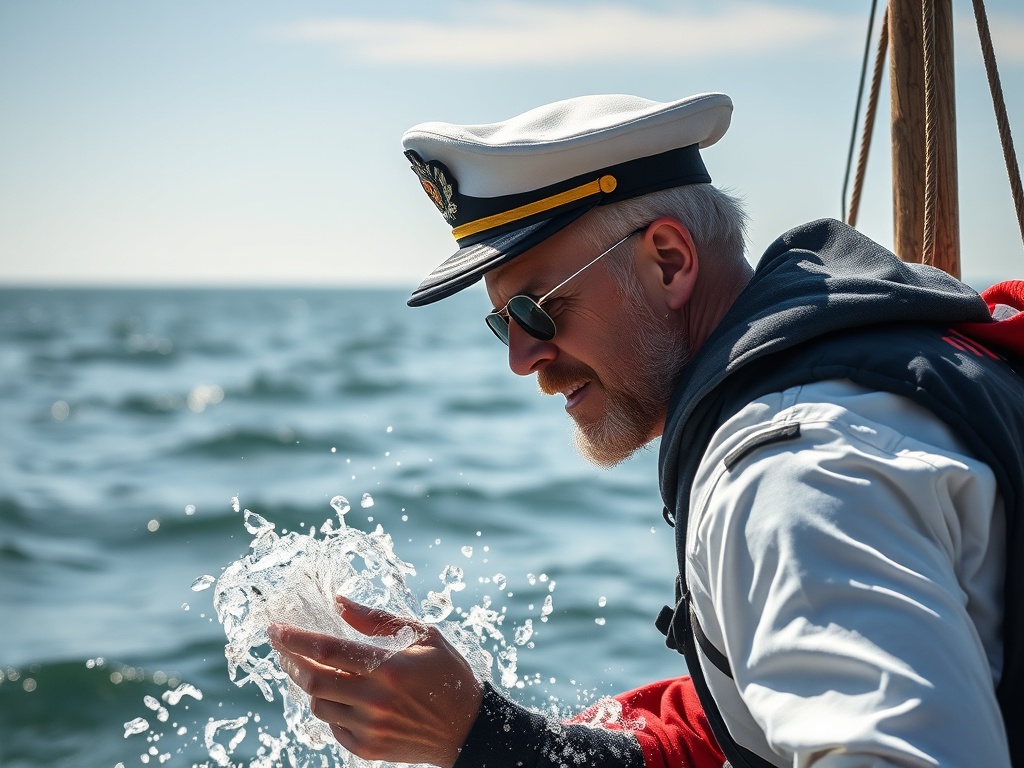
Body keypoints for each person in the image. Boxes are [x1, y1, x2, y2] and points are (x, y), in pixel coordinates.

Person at [270, 93, 1022, 767]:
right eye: (501, 321)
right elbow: (746, 721)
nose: (520, 357)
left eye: (538, 310)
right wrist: (484, 734)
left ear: (668, 261)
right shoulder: (857, 378)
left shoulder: (790, 476)